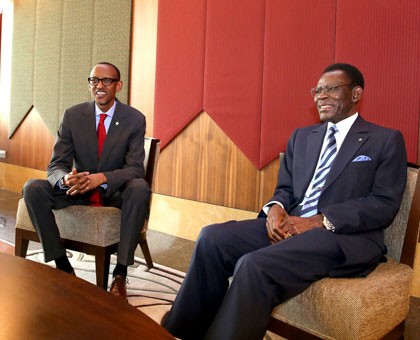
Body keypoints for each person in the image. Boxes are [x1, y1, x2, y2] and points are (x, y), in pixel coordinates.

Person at [162, 63, 407, 340]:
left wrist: (319, 221)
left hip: (343, 236)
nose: (321, 96)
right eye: (318, 90)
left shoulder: (384, 140)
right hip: (292, 223)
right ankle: (181, 330)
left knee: (253, 264)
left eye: (332, 89)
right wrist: (276, 209)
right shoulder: (302, 137)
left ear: (356, 93)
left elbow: (383, 203)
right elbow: (286, 188)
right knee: (211, 238)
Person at [23, 62, 150, 300]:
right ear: (90, 85)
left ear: (118, 86)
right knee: (33, 188)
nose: (99, 86)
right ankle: (63, 267)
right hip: (78, 189)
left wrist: (101, 178)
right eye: (94, 80)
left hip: (114, 192)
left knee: (140, 188)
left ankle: (120, 274)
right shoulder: (73, 115)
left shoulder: (133, 119)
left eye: (107, 81)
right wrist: (65, 179)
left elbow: (135, 169)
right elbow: (56, 165)